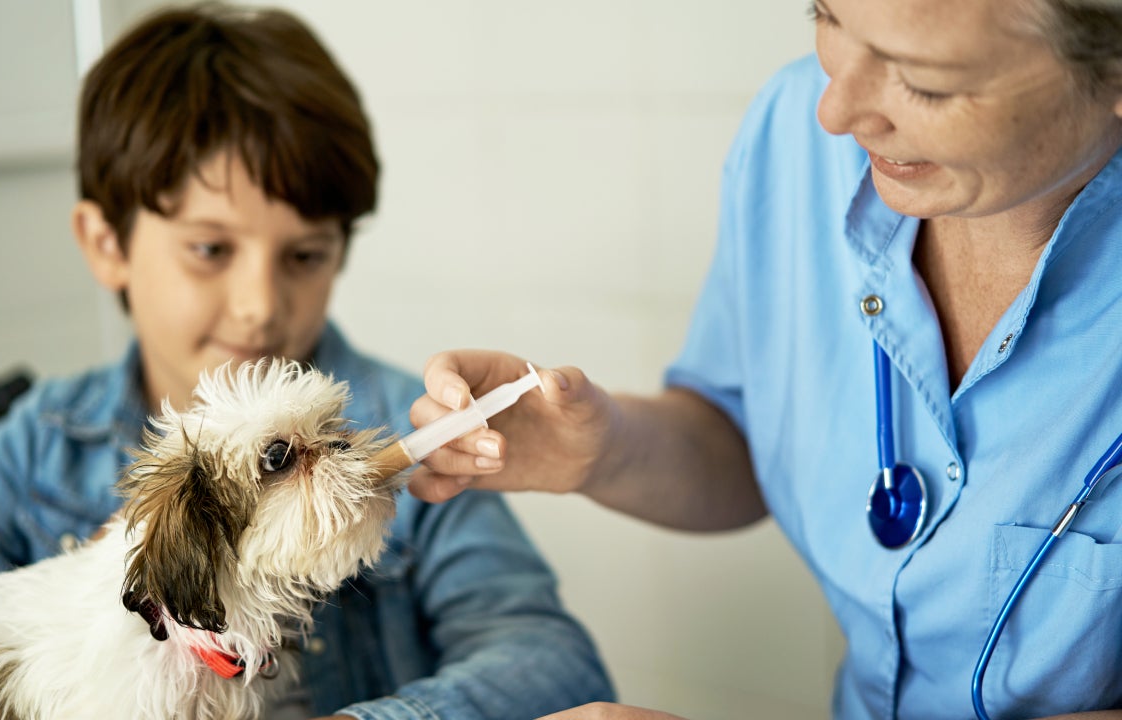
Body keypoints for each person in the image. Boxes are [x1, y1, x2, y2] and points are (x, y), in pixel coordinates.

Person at [0, 5, 614, 719]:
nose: (258, 303)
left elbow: (553, 660)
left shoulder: (422, 425)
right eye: (211, 249)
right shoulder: (42, 444)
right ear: (107, 243)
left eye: (305, 254)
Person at [406, 0, 1122, 718]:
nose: (835, 112)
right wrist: (604, 451)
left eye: (923, 81)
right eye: (828, 17)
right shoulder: (796, 134)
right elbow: (747, 432)